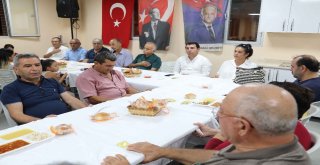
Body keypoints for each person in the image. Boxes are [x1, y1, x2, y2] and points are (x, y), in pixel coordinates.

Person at [101, 84, 311, 165]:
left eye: (222, 112)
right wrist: (162, 151)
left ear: (243, 126)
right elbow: (217, 155)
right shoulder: (270, 141)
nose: (217, 115)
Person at [199, 81, 314, 151]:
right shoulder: (296, 126)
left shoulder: (255, 139)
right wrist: (214, 131)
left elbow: (210, 156)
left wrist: (223, 131)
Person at [0, 54, 86, 124]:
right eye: (28, 66)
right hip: (37, 127)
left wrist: (87, 110)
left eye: (37, 65)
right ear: (16, 70)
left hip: (66, 121)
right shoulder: (11, 89)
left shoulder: (51, 82)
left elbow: (71, 100)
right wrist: (42, 122)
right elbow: (17, 115)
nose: (34, 69)